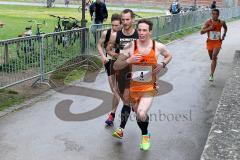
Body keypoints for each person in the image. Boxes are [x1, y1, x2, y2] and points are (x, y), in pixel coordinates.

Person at [113, 19, 172, 151]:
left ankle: (145, 136)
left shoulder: (158, 47)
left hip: (149, 86)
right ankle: (146, 133)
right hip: (134, 87)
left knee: (141, 112)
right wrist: (129, 60)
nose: (141, 33)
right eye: (139, 30)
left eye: (144, 30)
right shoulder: (130, 46)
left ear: (150, 32)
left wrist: (163, 64)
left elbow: (168, 56)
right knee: (138, 115)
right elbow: (116, 65)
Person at [106, 9, 138, 135]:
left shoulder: (138, 34)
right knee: (125, 99)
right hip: (122, 70)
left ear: (133, 20)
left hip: (136, 71)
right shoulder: (116, 35)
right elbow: (108, 49)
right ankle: (121, 129)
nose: (125, 22)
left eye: (127, 19)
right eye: (123, 20)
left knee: (132, 102)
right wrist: (118, 56)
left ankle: (124, 129)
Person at [97, 14, 122, 126]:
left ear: (120, 25)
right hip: (109, 63)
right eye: (112, 25)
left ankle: (112, 114)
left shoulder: (124, 35)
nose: (114, 27)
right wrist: (102, 56)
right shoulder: (106, 33)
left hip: (122, 63)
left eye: (116, 25)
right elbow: (99, 44)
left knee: (117, 90)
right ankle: (127, 103)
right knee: (113, 90)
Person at [200, 9, 227, 82]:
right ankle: (214, 60)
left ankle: (211, 74)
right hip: (210, 42)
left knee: (214, 57)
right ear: (211, 15)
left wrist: (224, 34)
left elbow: (225, 28)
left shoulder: (221, 22)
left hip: (218, 42)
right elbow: (201, 32)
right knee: (211, 58)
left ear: (218, 15)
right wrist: (209, 28)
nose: (214, 15)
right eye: (213, 14)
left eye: (216, 14)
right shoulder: (208, 22)